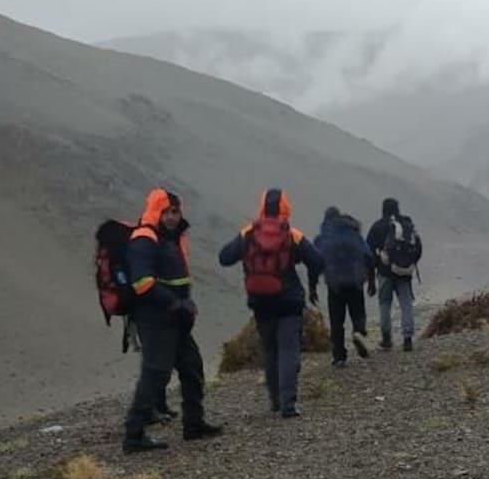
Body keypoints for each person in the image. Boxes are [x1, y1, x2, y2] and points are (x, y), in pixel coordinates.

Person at [122, 188, 222, 453]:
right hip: (155, 318)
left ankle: (194, 424)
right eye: (167, 212)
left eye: (176, 212)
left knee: (192, 367)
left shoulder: (171, 239)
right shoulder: (144, 238)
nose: (172, 217)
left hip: (176, 318)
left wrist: (182, 305)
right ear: (156, 211)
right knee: (156, 373)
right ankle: (134, 434)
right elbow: (141, 282)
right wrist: (174, 301)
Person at [219, 188, 324, 418]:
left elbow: (224, 257)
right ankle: (288, 404)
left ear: (262, 207)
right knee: (288, 350)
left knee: (270, 349)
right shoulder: (291, 234)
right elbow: (317, 260)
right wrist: (310, 278)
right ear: (285, 207)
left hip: (260, 301)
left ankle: (275, 400)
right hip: (289, 301)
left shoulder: (249, 232)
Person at [314, 206, 376, 366]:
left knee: (336, 321)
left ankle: (339, 356)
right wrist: (371, 280)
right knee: (357, 313)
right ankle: (358, 333)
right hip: (355, 282)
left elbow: (315, 261)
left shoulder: (323, 237)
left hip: (335, 285)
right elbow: (368, 256)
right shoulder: (353, 233)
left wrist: (313, 285)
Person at [366, 198, 422, 352]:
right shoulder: (406, 225)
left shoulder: (377, 226)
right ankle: (408, 338)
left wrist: (371, 278)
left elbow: (368, 253)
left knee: (385, 303)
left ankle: (386, 339)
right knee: (406, 303)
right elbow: (418, 248)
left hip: (384, 272)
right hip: (404, 273)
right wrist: (410, 264)